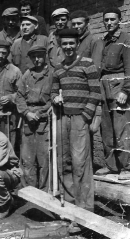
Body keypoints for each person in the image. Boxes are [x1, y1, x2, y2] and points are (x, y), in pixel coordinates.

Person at [51, 29, 101, 212]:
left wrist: (85, 117)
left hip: (80, 119)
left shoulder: (88, 64)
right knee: (65, 161)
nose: (68, 47)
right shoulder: (58, 68)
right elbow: (53, 91)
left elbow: (95, 92)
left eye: (71, 43)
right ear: (60, 46)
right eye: (64, 44)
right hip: (63, 118)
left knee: (80, 163)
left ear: (77, 44)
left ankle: (85, 209)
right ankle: (71, 205)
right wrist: (55, 98)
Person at [95, 7, 130, 180]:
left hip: (119, 87)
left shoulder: (125, 39)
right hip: (104, 86)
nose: (109, 23)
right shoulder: (104, 41)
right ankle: (111, 165)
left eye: (112, 19)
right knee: (106, 129)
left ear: (119, 20)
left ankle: (126, 167)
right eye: (106, 20)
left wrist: (126, 90)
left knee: (121, 129)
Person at [16, 45, 53, 191]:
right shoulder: (27, 75)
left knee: (44, 158)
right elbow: (19, 96)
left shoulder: (52, 74)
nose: (37, 60)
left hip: (45, 120)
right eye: (33, 57)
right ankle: (29, 191)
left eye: (39, 56)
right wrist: (26, 113)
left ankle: (44, 191)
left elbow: (53, 98)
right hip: (28, 120)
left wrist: (40, 113)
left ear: (45, 56)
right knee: (27, 158)